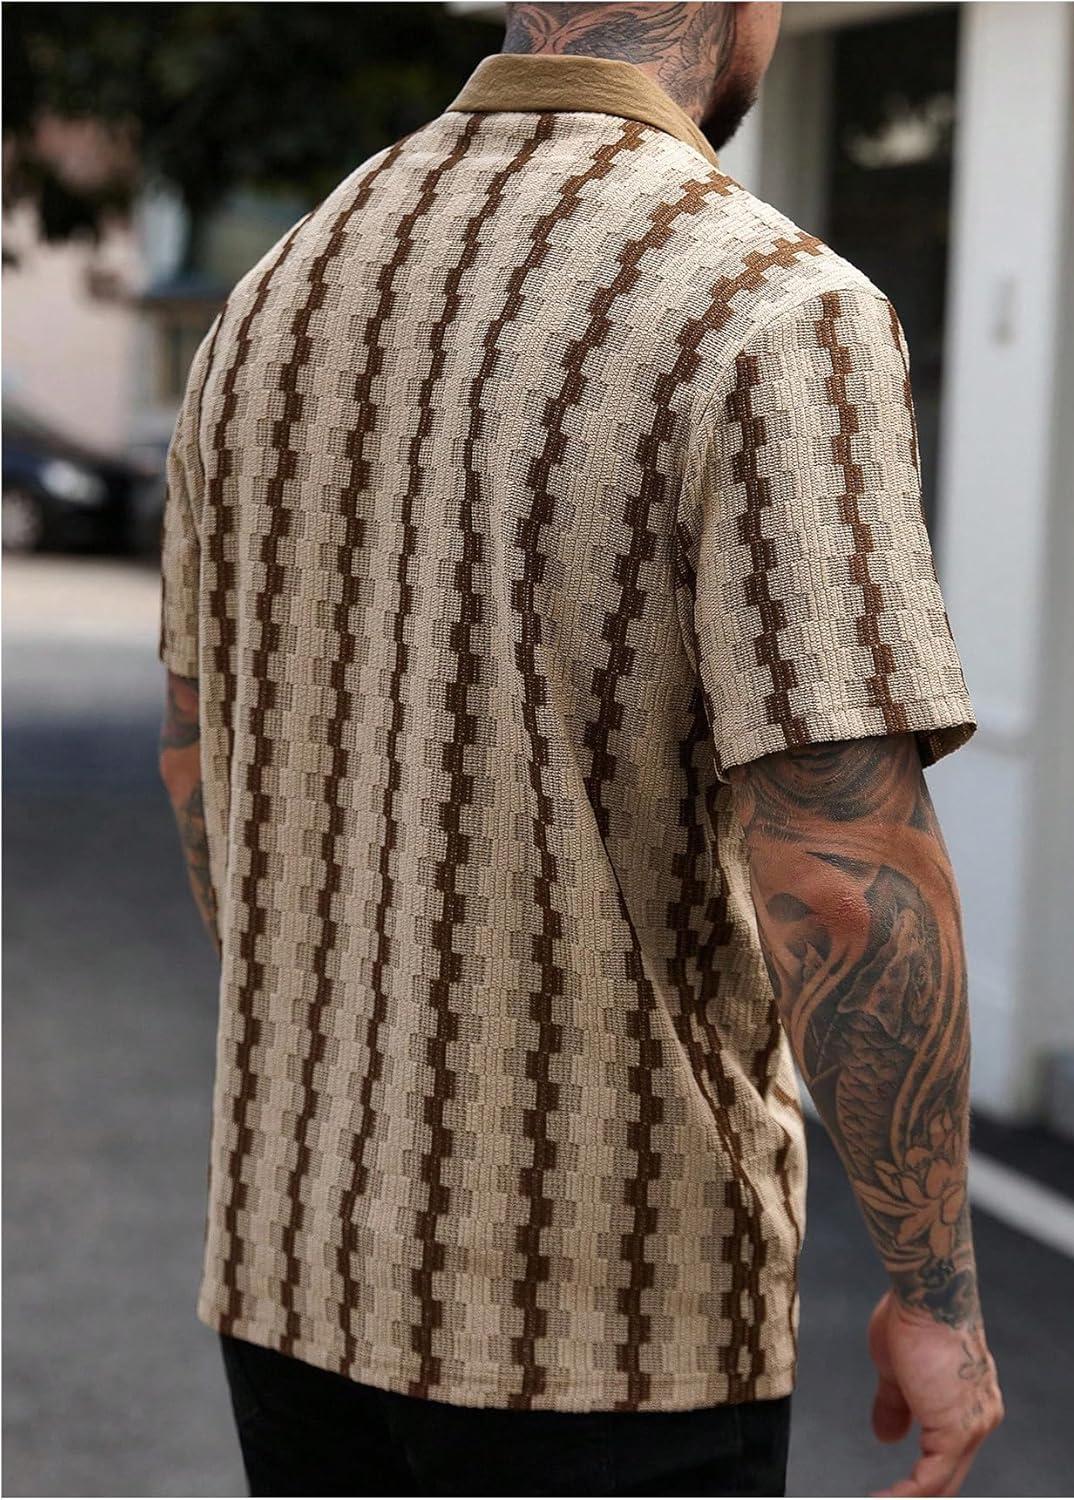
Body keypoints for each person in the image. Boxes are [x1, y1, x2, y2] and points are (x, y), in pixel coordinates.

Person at [157, 3, 1004, 1494]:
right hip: (611, 1322)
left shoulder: (276, 294)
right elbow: (838, 876)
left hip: (291, 1277)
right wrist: (933, 1290)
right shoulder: (773, 309)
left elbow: (196, 760)